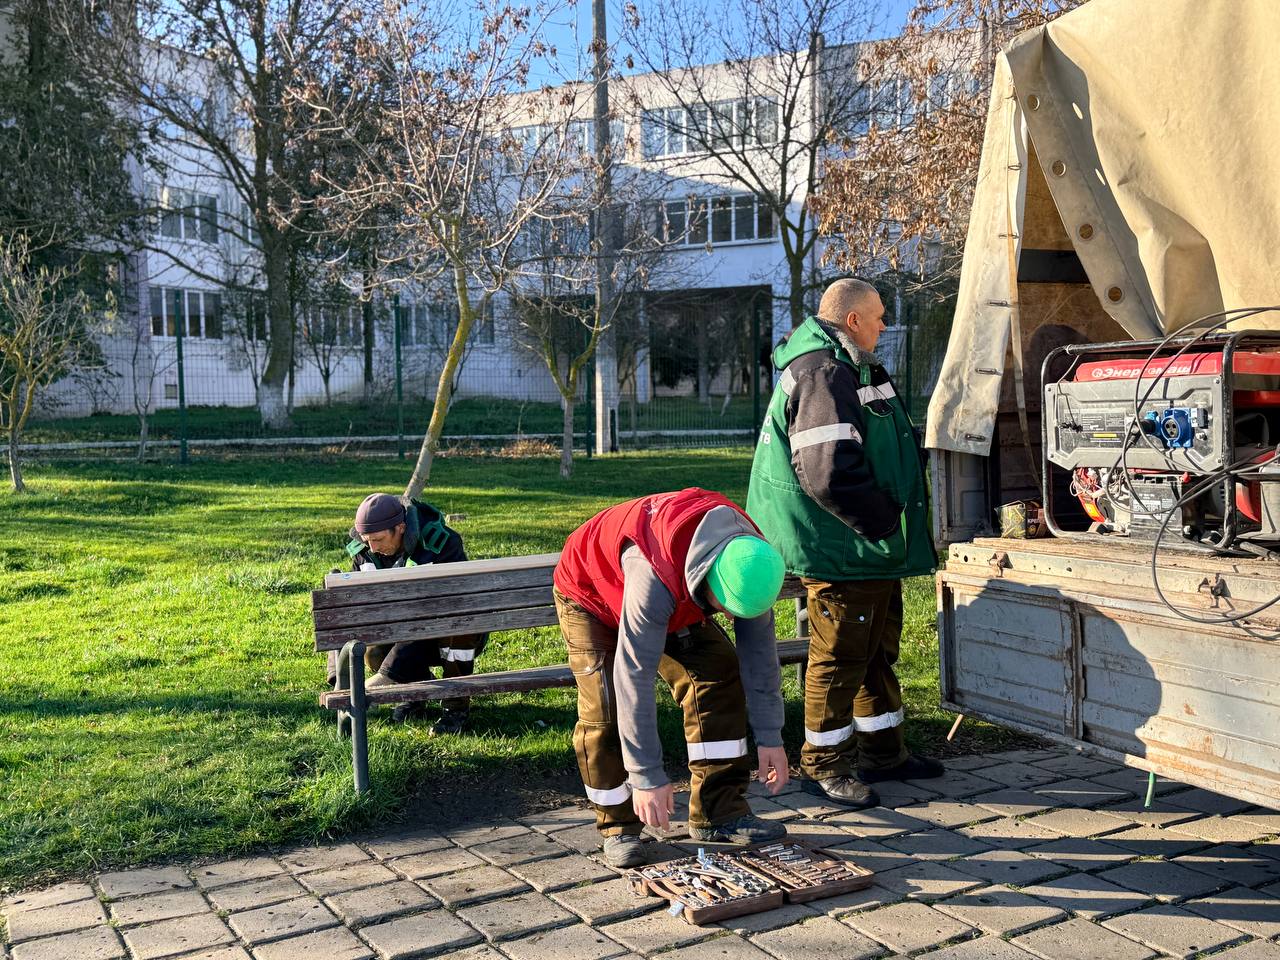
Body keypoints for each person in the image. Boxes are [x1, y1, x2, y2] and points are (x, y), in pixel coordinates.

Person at [747, 278, 942, 810]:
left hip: (854, 542)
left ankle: (885, 752)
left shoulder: (840, 362)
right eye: (879, 315)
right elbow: (828, 473)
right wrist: (883, 527)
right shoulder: (826, 372)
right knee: (839, 655)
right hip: (842, 544)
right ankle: (823, 767)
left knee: (872, 649)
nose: (886, 324)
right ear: (852, 319)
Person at [552, 488, 791, 868]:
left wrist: (770, 737)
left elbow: (759, 657)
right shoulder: (655, 576)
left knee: (718, 671)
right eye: (725, 609)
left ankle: (719, 811)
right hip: (591, 595)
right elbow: (633, 676)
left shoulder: (750, 561)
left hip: (678, 588)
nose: (730, 619)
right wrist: (646, 776)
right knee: (606, 706)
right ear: (708, 580)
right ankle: (620, 827)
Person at [328, 493, 485, 735]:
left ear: (400, 528)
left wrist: (385, 675)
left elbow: (452, 607)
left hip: (450, 628)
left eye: (378, 539)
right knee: (374, 653)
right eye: (367, 540)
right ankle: (415, 695)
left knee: (456, 637)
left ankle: (456, 708)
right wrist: (338, 673)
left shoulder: (443, 543)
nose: (373, 548)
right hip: (399, 630)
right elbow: (353, 609)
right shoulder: (365, 550)